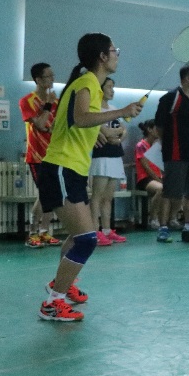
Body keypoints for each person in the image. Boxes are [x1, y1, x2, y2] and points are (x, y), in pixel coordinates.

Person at [37, 33, 143, 321]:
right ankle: (53, 302)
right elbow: (81, 117)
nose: (117, 55)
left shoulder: (89, 85)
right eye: (114, 50)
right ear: (102, 57)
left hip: (72, 170)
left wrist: (107, 131)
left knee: (78, 236)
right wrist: (121, 111)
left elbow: (80, 122)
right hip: (61, 168)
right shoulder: (87, 83)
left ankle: (63, 283)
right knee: (86, 239)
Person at [154, 64, 189, 242]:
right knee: (170, 193)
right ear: (187, 78)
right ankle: (163, 228)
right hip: (175, 153)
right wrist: (168, 144)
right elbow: (159, 126)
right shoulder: (171, 97)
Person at [19, 62, 60, 247]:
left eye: (52, 76)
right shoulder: (27, 101)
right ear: (38, 80)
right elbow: (41, 124)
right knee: (45, 193)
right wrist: (48, 104)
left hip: (55, 155)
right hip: (37, 156)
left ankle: (44, 232)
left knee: (51, 194)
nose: (52, 79)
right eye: (48, 76)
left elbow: (55, 127)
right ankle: (32, 233)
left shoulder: (57, 103)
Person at [88, 77, 128, 245]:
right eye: (109, 87)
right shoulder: (94, 111)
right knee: (97, 196)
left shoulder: (114, 109)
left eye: (113, 87)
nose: (112, 90)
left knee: (108, 197)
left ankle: (106, 230)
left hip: (115, 156)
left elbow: (123, 130)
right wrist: (114, 133)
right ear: (100, 89)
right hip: (101, 157)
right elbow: (106, 132)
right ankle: (94, 232)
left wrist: (118, 137)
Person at [133, 120, 164, 227]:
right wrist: (159, 180)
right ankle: (153, 218)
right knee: (161, 188)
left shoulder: (157, 145)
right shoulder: (141, 145)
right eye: (157, 129)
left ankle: (169, 219)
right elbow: (146, 167)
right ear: (150, 130)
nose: (159, 131)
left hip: (157, 177)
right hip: (144, 179)